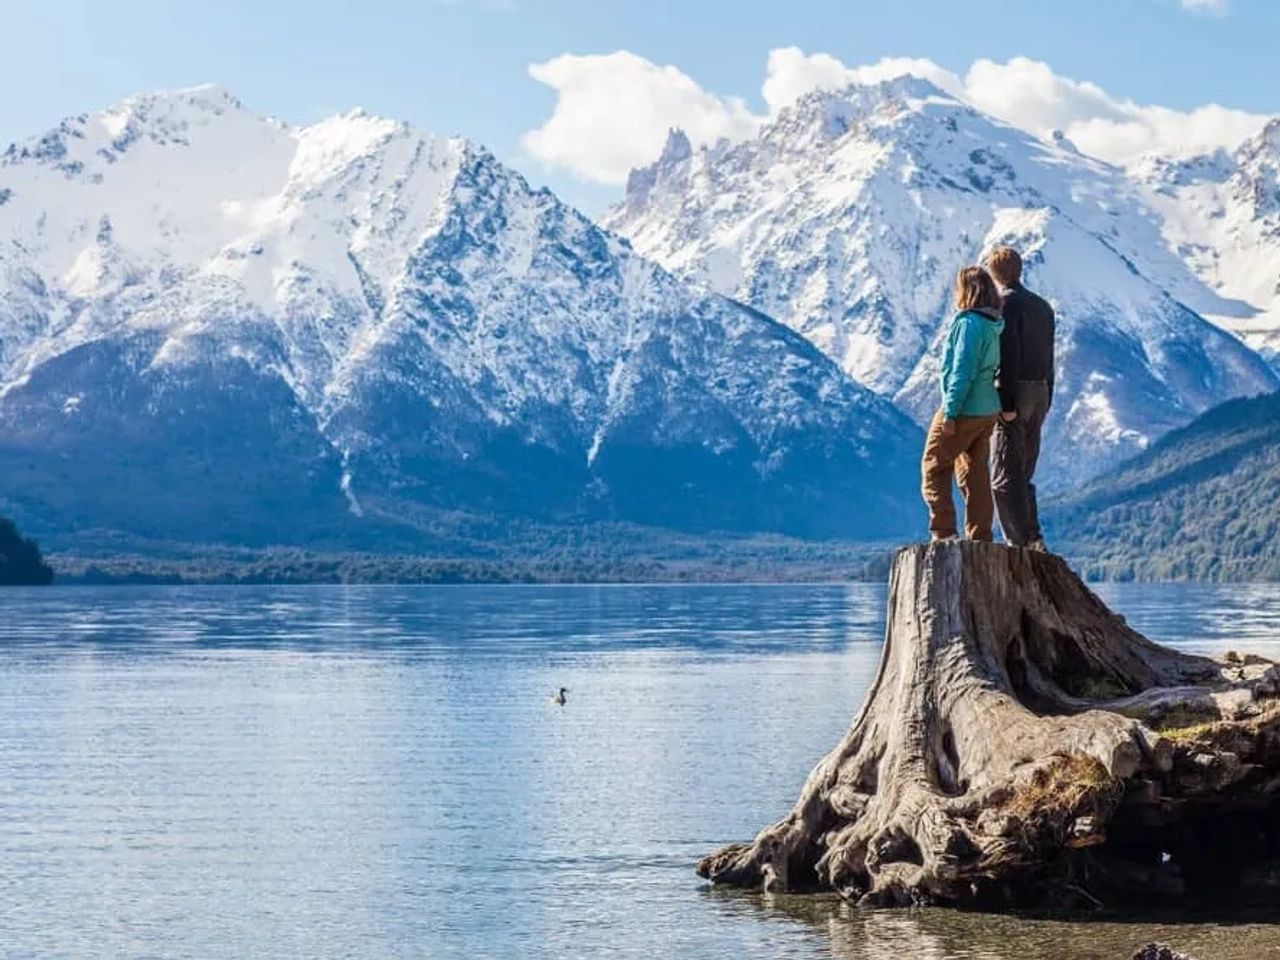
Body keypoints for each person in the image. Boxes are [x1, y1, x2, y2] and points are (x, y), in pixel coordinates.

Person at [921, 267, 1006, 543]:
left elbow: (962, 371)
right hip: (987, 408)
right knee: (975, 472)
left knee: (934, 465)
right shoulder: (994, 324)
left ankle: (944, 531)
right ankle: (980, 536)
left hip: (965, 408)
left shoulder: (969, 324)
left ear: (967, 291)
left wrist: (950, 412)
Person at [987, 247, 1056, 552]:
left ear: (994, 274)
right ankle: (1033, 536)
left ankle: (1020, 542)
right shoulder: (1043, 306)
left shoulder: (1005, 304)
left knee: (1004, 473)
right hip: (1040, 389)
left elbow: (1008, 354)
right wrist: (1047, 394)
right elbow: (1050, 356)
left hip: (1016, 390)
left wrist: (1006, 402)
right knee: (1024, 469)